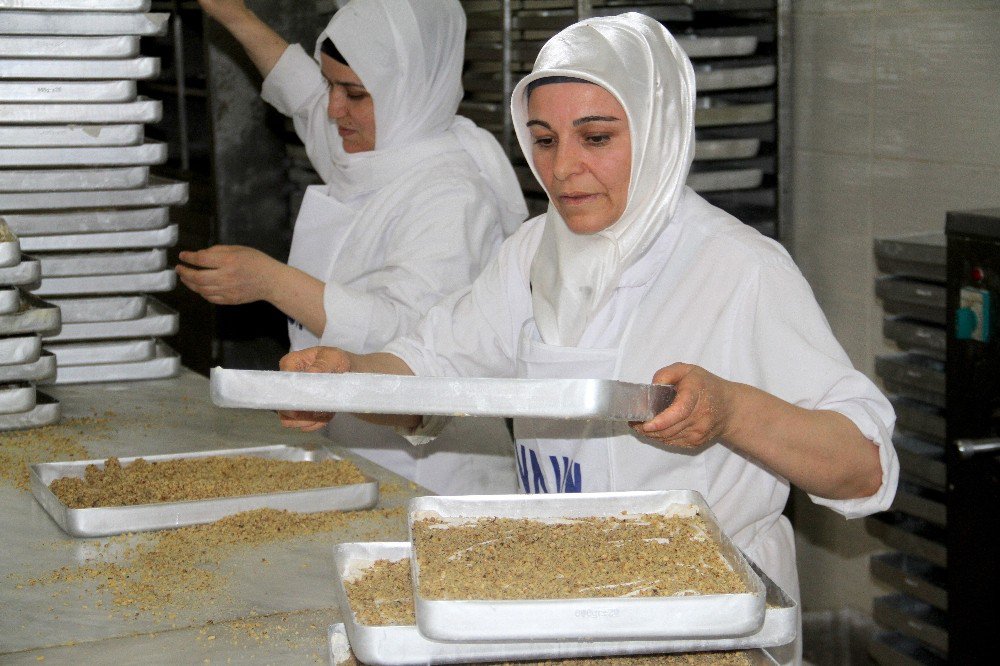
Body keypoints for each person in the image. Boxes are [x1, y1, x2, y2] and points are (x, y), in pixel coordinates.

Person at [278, 13, 898, 661]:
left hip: (705, 623)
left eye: (595, 137)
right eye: (543, 140)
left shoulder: (739, 269)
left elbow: (864, 467)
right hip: (562, 599)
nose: (564, 168)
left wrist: (732, 412)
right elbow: (430, 372)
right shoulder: (532, 253)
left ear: (658, 130)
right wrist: (346, 378)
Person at [179, 0, 528, 494]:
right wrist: (234, 15)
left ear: (406, 92)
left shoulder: (452, 195)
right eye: (332, 86)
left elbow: (414, 341)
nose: (332, 109)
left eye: (354, 93)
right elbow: (302, 95)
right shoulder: (377, 146)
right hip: (359, 441)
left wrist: (272, 282)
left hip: (436, 473)